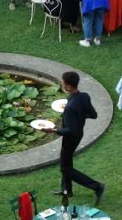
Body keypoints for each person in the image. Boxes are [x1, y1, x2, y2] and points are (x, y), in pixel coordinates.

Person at [43, 71, 104, 203]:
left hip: (71, 138)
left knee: (65, 169)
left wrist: (53, 130)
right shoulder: (83, 96)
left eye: (63, 83)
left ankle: (97, 186)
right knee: (66, 162)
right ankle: (67, 190)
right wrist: (79, 115)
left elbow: (69, 130)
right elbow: (93, 115)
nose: (62, 84)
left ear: (69, 86)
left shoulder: (71, 106)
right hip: (78, 134)